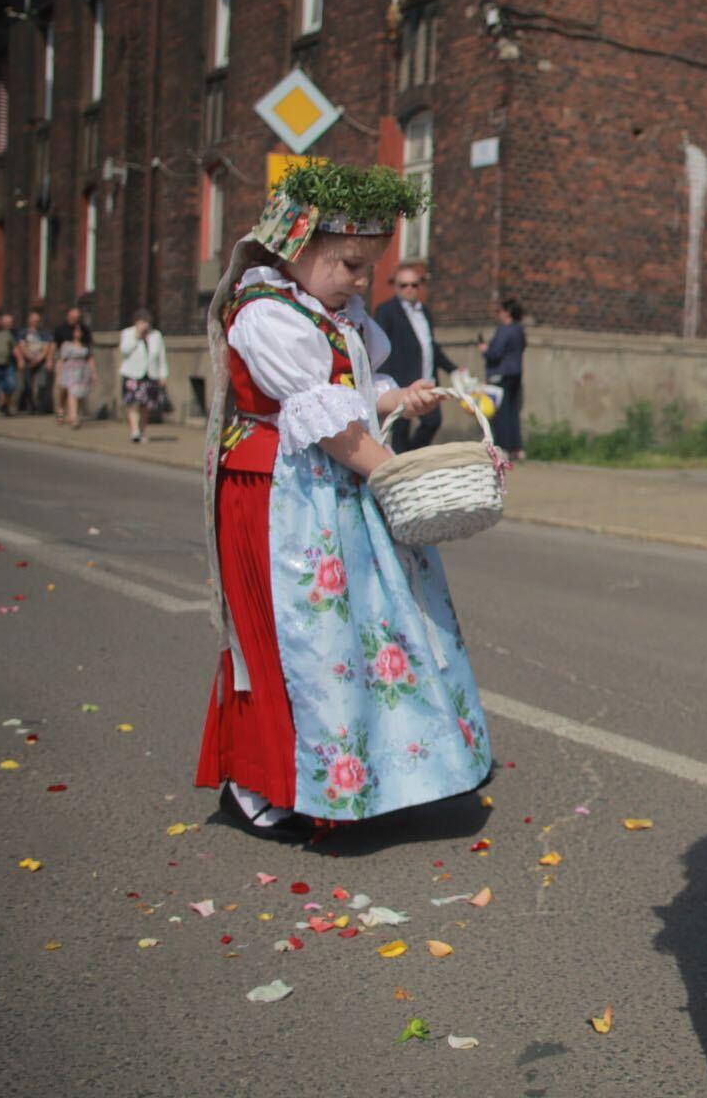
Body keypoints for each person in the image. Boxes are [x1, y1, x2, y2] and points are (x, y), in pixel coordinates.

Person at [194, 161, 493, 837]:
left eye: (370, 270)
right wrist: (392, 475)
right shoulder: (267, 314)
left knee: (360, 632)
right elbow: (328, 423)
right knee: (293, 636)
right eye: (351, 265)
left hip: (333, 488)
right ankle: (265, 777)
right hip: (278, 494)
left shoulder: (335, 313)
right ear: (295, 248)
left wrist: (396, 397)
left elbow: (354, 391)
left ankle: (373, 770)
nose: (362, 284)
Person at [372, 264, 457, 453]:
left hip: (426, 379)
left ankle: (412, 454)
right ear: (396, 287)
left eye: (414, 285)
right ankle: (403, 463)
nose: (409, 289)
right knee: (401, 428)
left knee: (433, 421)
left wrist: (452, 368)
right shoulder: (386, 311)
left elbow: (430, 346)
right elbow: (379, 348)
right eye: (404, 285)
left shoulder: (424, 312)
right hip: (400, 380)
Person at [476, 297, 525, 461]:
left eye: (500, 311)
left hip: (500, 375)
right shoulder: (519, 330)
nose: (499, 314)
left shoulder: (505, 330)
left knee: (501, 413)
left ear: (507, 312)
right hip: (515, 374)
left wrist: (484, 350)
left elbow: (495, 353)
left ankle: (503, 447)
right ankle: (517, 448)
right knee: (512, 411)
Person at [118, 308, 169, 443]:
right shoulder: (128, 333)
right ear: (136, 322)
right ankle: (134, 431)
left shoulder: (156, 335)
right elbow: (124, 350)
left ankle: (142, 431)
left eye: (146, 322)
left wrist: (163, 374)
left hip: (150, 374)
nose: (145, 325)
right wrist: (137, 336)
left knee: (145, 405)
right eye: (142, 322)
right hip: (132, 374)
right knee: (133, 403)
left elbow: (161, 356)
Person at [51, 304, 88, 423]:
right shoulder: (61, 329)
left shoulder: (84, 330)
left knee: (74, 391)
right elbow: (54, 346)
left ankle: (72, 415)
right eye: (73, 316)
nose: (75, 319)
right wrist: (51, 362)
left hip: (79, 367)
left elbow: (89, 352)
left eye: (77, 317)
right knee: (62, 388)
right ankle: (60, 409)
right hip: (65, 363)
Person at [54, 321, 95, 428]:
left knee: (79, 394)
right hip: (69, 370)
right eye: (75, 330)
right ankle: (71, 416)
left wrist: (93, 373)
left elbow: (90, 359)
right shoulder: (66, 345)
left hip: (82, 372)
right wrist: (58, 374)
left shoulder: (86, 345)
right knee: (70, 393)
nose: (78, 333)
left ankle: (73, 415)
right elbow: (62, 360)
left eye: (79, 331)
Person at [14, 310, 53, 414]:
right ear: (29, 320)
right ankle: (30, 406)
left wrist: (40, 359)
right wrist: (29, 358)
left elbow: (47, 348)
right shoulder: (23, 333)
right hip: (28, 361)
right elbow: (21, 347)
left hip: (40, 362)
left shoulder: (44, 334)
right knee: (27, 385)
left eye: (37, 320)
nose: (36, 321)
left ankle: (40, 407)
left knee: (41, 384)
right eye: (34, 319)